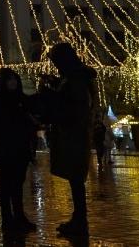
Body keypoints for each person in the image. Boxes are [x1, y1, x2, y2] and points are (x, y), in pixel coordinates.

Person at [39, 42, 98, 237]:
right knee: (75, 181)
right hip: (73, 134)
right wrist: (56, 84)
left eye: (57, 61)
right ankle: (78, 218)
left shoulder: (77, 78)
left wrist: (50, 95)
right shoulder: (73, 77)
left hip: (74, 135)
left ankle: (80, 221)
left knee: (76, 179)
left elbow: (73, 105)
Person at [0, 67, 37, 234]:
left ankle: (19, 217)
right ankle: (7, 219)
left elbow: (32, 118)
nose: (13, 82)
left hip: (21, 148)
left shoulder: (22, 99)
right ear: (3, 82)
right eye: (9, 79)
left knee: (18, 184)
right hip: (6, 148)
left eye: (14, 79)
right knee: (7, 185)